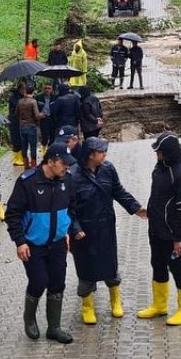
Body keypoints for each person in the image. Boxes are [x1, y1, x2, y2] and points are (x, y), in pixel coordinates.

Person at [5, 144, 81, 344]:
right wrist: (20, 241)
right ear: (51, 161)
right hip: (33, 245)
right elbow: (12, 214)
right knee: (39, 282)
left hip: (57, 244)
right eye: (63, 163)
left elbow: (72, 208)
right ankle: (29, 318)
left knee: (58, 283)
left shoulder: (67, 181)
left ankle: (54, 328)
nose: (67, 168)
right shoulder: (27, 182)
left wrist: (67, 229)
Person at [70, 137, 146, 324]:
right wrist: (75, 228)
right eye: (101, 152)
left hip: (105, 227)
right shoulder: (73, 175)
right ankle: (87, 306)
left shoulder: (108, 169)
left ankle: (115, 300)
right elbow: (67, 208)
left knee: (110, 265)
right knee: (86, 269)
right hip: (84, 232)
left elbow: (118, 191)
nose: (105, 154)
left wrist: (136, 208)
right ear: (90, 155)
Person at [136, 132, 181, 325]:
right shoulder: (161, 167)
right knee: (158, 265)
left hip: (173, 235)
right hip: (157, 230)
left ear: (169, 153)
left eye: (159, 152)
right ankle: (159, 306)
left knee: (178, 269)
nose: (157, 155)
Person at [16, 85, 42, 168]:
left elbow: (16, 113)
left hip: (22, 126)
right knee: (33, 147)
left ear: (25, 92)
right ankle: (34, 166)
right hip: (31, 126)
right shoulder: (33, 102)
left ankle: (26, 165)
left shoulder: (20, 101)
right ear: (33, 92)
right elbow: (37, 115)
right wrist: (43, 115)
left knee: (24, 146)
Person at [8, 81, 26, 167]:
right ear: (19, 89)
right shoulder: (13, 97)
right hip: (14, 121)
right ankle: (16, 159)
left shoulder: (23, 97)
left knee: (22, 139)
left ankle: (21, 158)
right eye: (23, 89)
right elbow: (17, 106)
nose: (24, 91)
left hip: (22, 121)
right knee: (16, 140)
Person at [37, 82, 57, 147]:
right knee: (45, 137)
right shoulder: (38, 97)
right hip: (43, 118)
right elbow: (34, 107)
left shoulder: (55, 97)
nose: (47, 90)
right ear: (43, 89)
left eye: (49, 88)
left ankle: (50, 150)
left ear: (51, 89)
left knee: (52, 136)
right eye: (45, 88)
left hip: (52, 118)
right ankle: (44, 149)